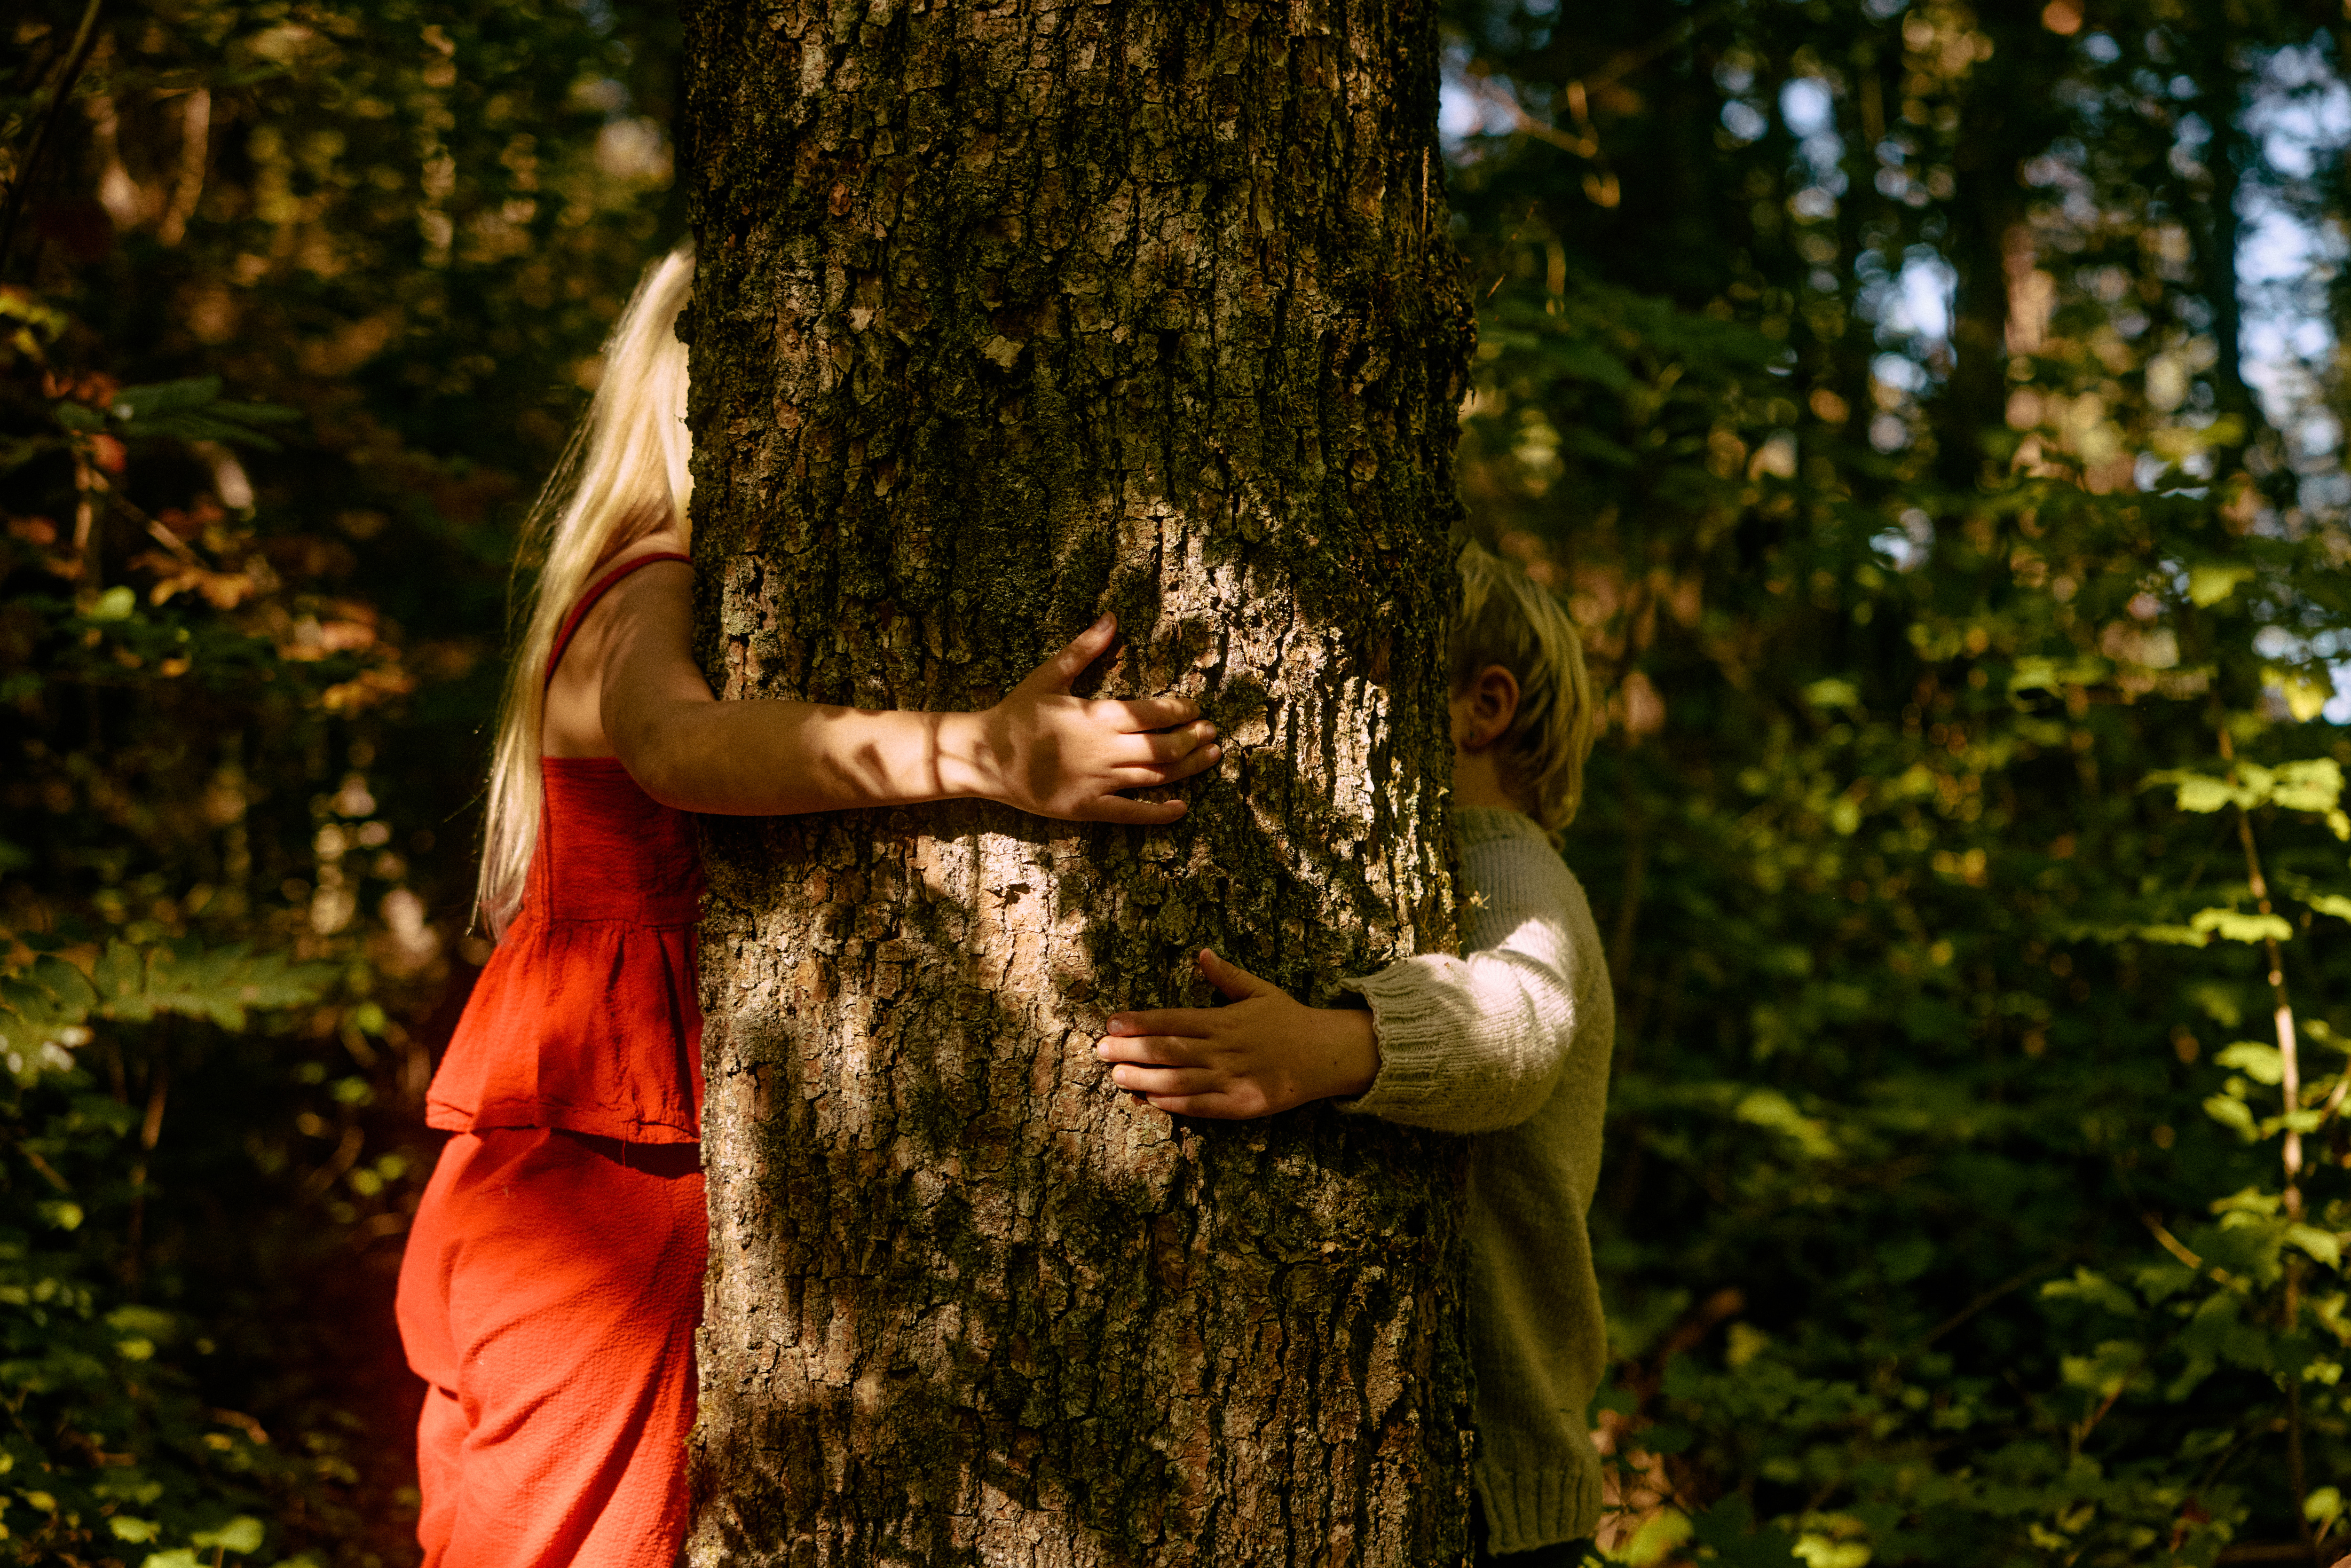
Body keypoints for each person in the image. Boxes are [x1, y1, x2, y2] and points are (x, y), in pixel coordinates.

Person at [394, 246, 1222, 1568]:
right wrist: (985, 752)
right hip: (599, 1171)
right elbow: (683, 752)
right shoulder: (652, 570)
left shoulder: (620, 575)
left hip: (547, 1166)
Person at [1093, 540, 1613, 1567]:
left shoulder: (1513, 870)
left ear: (1484, 706)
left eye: (1379, 672)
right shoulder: (1465, 861)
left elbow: (1520, 1030)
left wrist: (1325, 1048)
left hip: (1496, 1473)